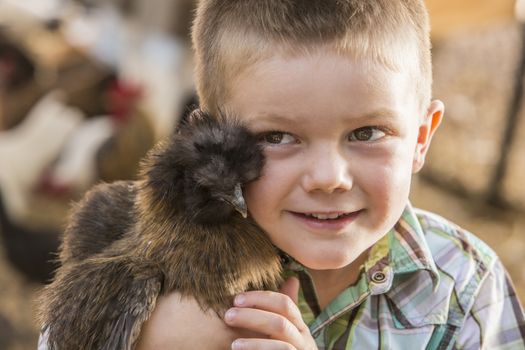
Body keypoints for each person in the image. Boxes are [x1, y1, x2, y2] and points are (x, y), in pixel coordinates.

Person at [41, 1, 525, 349]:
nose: (329, 178)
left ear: (421, 137)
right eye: (277, 137)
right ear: (215, 140)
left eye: (367, 133)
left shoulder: (464, 288)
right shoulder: (140, 258)